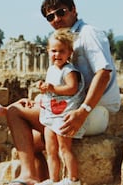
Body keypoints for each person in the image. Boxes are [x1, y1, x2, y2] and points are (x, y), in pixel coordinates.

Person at [6, 0, 121, 185]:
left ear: (74, 10)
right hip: (74, 107)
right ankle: (44, 180)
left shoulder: (88, 33)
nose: (56, 19)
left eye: (61, 12)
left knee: (14, 111)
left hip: (92, 111)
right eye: (50, 16)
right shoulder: (63, 41)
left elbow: (104, 73)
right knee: (31, 142)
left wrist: (83, 111)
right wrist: (39, 100)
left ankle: (28, 176)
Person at [36, 29, 85, 185]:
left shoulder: (69, 71)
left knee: (64, 148)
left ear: (69, 52)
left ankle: (73, 179)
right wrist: (42, 86)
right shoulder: (51, 69)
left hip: (64, 114)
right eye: (54, 51)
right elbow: (50, 88)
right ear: (48, 52)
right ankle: (53, 180)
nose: (57, 55)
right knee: (50, 150)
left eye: (61, 51)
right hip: (51, 114)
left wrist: (51, 88)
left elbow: (72, 88)